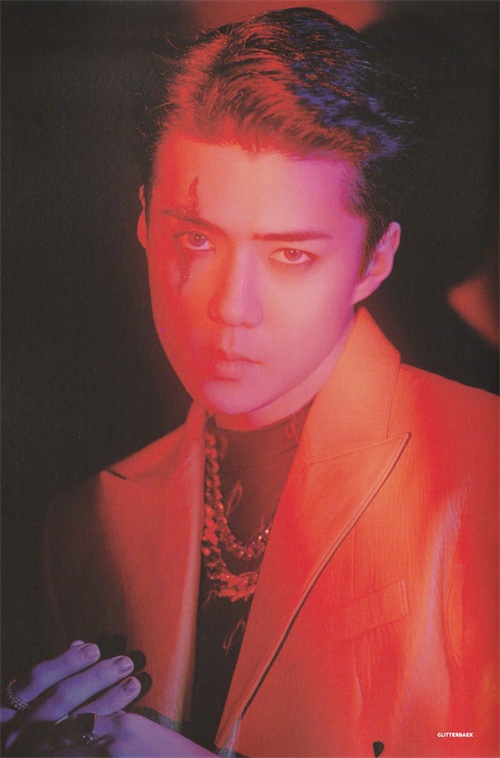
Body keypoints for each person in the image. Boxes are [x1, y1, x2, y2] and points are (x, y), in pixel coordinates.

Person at [1, 7, 497, 756]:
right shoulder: (82, 525)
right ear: (144, 222)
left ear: (374, 260)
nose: (231, 308)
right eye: (196, 239)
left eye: (290, 254)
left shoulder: (481, 468)